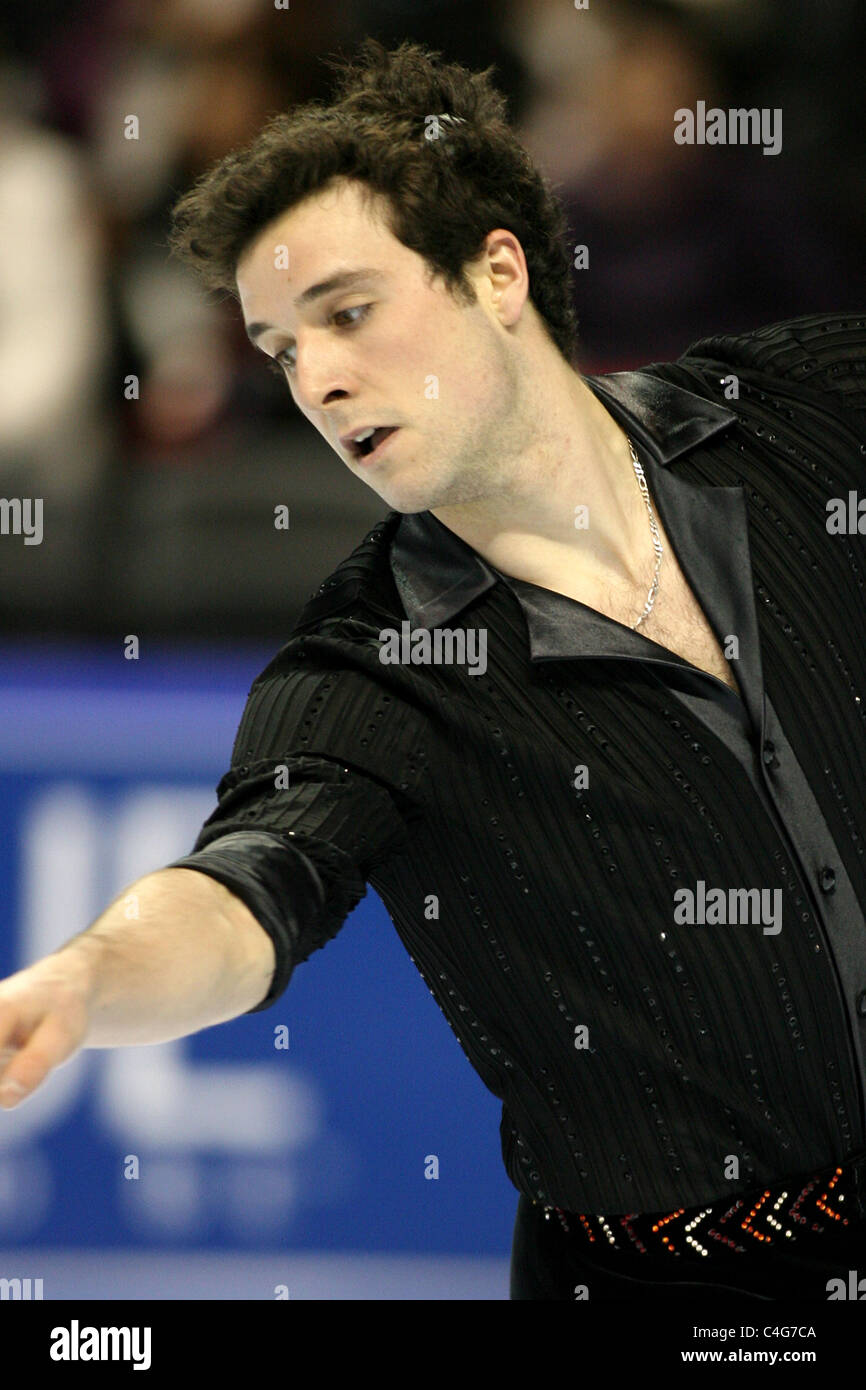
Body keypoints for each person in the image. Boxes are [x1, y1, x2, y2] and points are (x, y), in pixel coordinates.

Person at [2, 38, 865, 1301]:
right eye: (281, 350)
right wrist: (86, 978)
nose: (320, 379)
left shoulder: (801, 410)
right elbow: (246, 891)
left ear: (498, 271)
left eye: (347, 312)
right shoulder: (372, 672)